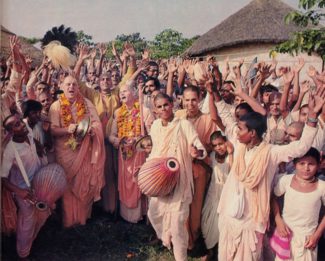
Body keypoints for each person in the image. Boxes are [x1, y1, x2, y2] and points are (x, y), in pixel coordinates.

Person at [217, 83, 323, 260]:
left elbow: (302, 147)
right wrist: (214, 92)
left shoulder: (272, 152)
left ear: (252, 133)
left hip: (252, 219)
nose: (236, 133)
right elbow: (226, 119)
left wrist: (312, 117)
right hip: (230, 213)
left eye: (241, 130)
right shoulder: (239, 146)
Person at [147, 93, 207, 261]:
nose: (163, 109)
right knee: (154, 213)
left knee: (178, 225)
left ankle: (181, 257)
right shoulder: (156, 126)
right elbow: (155, 150)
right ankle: (167, 237)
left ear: (172, 104)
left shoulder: (184, 124)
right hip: (161, 179)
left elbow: (199, 146)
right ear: (155, 110)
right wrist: (147, 167)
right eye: (159, 107)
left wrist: (197, 152)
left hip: (180, 180)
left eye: (166, 104)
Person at [49, 74, 105, 227]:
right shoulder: (56, 106)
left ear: (78, 87)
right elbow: (53, 130)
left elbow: (97, 124)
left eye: (74, 84)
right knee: (67, 187)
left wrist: (90, 131)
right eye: (67, 84)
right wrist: (68, 129)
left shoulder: (86, 103)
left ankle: (83, 218)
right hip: (65, 153)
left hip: (85, 150)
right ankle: (68, 221)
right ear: (62, 87)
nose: (71, 87)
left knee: (84, 183)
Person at [1, 113, 50, 258]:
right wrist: (20, 192)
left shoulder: (27, 134)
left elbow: (32, 140)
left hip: (39, 185)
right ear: (10, 132)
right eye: (16, 125)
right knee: (27, 223)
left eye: (20, 121)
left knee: (42, 215)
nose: (22, 125)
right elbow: (2, 178)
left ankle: (32, 241)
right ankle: (23, 254)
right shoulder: (10, 150)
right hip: (24, 191)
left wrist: (38, 145)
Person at [109, 81, 154, 223]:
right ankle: (126, 216)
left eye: (125, 91)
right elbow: (111, 135)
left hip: (139, 154)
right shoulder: (118, 112)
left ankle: (141, 215)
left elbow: (153, 134)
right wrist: (117, 141)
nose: (122, 93)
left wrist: (140, 140)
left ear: (134, 94)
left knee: (138, 180)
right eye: (120, 91)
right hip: (124, 155)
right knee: (126, 182)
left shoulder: (144, 111)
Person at [273, 148, 325, 261]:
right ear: (294, 164)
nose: (306, 168)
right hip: (285, 235)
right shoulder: (286, 180)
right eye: (302, 163)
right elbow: (273, 198)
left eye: (311, 164)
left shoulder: (322, 186)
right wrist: (278, 220)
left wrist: (317, 235)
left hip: (308, 240)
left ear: (318, 165)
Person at [201, 131, 233, 260]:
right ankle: (210, 250)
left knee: (221, 223)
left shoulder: (231, 156)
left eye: (220, 144)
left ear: (226, 142)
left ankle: (221, 250)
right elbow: (212, 169)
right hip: (213, 191)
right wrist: (201, 163)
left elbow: (232, 171)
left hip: (226, 193)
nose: (218, 147)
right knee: (206, 221)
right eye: (215, 145)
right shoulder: (213, 155)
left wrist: (231, 154)